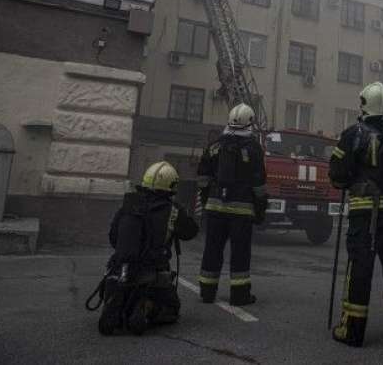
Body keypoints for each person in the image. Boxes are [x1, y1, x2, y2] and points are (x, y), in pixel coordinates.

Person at [329, 81, 383, 347]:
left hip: (366, 214)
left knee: (360, 268)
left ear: (363, 103)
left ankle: (352, 330)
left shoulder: (354, 133)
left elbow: (337, 175)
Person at [98, 161, 199, 336]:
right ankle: (147, 308)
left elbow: (114, 237)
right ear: (171, 185)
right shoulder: (172, 210)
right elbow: (191, 232)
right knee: (172, 309)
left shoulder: (129, 204)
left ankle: (117, 305)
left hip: (119, 267)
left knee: (113, 286)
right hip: (154, 269)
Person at [197, 103, 267, 306]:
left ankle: (207, 292)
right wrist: (260, 210)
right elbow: (259, 184)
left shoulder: (215, 145)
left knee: (212, 249)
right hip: (241, 211)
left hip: (215, 208)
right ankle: (239, 295)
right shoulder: (253, 148)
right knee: (240, 253)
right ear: (251, 122)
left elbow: (202, 177)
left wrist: (205, 200)